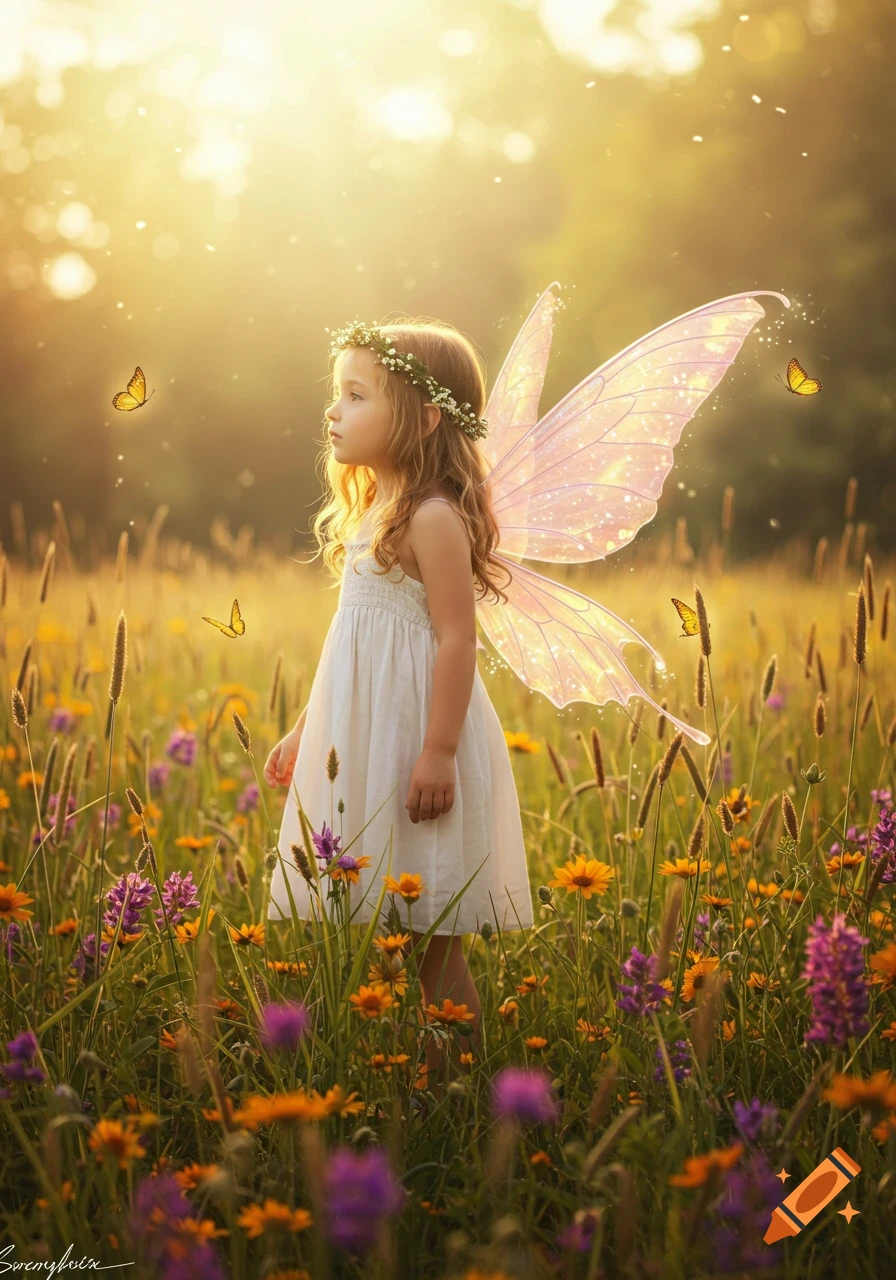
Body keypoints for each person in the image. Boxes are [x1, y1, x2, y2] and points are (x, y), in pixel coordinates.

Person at [263, 315, 534, 1089]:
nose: (334, 412)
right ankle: (410, 1076)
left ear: (424, 415)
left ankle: (464, 1085)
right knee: (381, 921)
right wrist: (303, 729)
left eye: (356, 395)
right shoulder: (374, 517)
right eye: (336, 395)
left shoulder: (434, 518)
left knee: (434, 934)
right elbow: (348, 648)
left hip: (417, 742)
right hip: (366, 743)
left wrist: (439, 749)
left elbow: (456, 639)